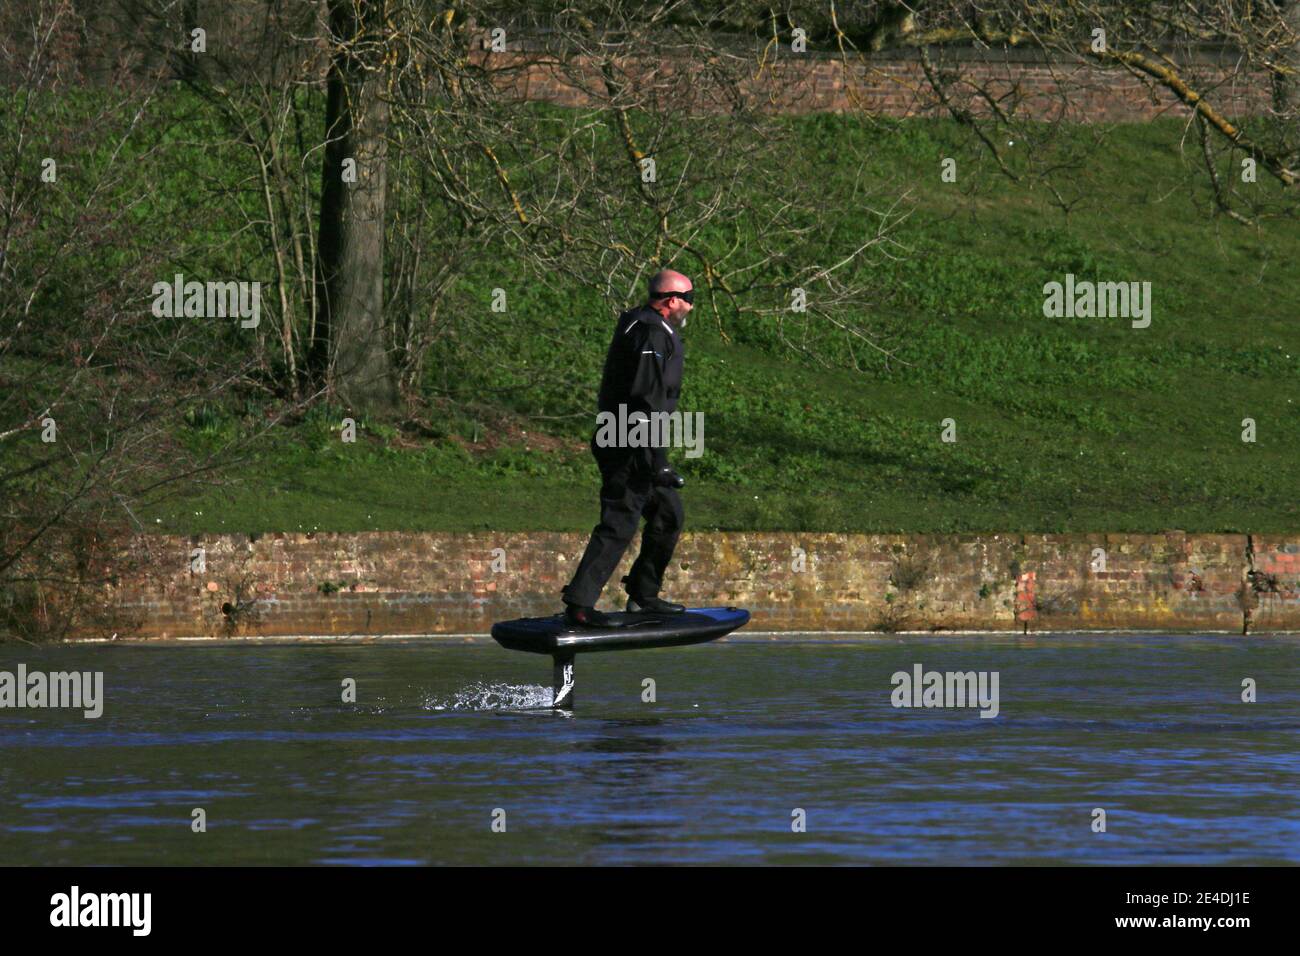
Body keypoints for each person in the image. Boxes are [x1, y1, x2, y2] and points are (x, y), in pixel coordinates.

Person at [561, 270, 693, 627]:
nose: (691, 308)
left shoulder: (641, 323)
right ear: (670, 300)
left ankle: (642, 595)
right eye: (689, 299)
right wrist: (658, 461)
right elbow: (647, 400)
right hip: (629, 440)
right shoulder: (650, 332)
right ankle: (580, 604)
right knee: (621, 519)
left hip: (627, 436)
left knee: (668, 514)